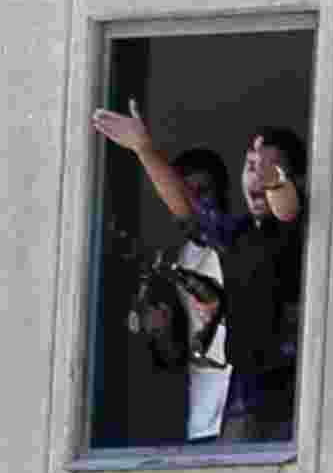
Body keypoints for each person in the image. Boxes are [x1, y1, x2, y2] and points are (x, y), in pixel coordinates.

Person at [92, 101, 305, 442]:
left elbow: (289, 209)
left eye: (271, 168)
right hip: (245, 401)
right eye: (251, 167)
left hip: (297, 400)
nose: (258, 176)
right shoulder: (237, 235)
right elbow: (188, 210)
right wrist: (144, 150)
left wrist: (274, 181)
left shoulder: (301, 233)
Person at [141, 148, 235, 443]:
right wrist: (159, 331)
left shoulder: (242, 245)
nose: (193, 203)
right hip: (204, 422)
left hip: (248, 415)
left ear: (224, 194)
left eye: (203, 192)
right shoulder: (176, 263)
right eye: (184, 193)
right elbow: (174, 357)